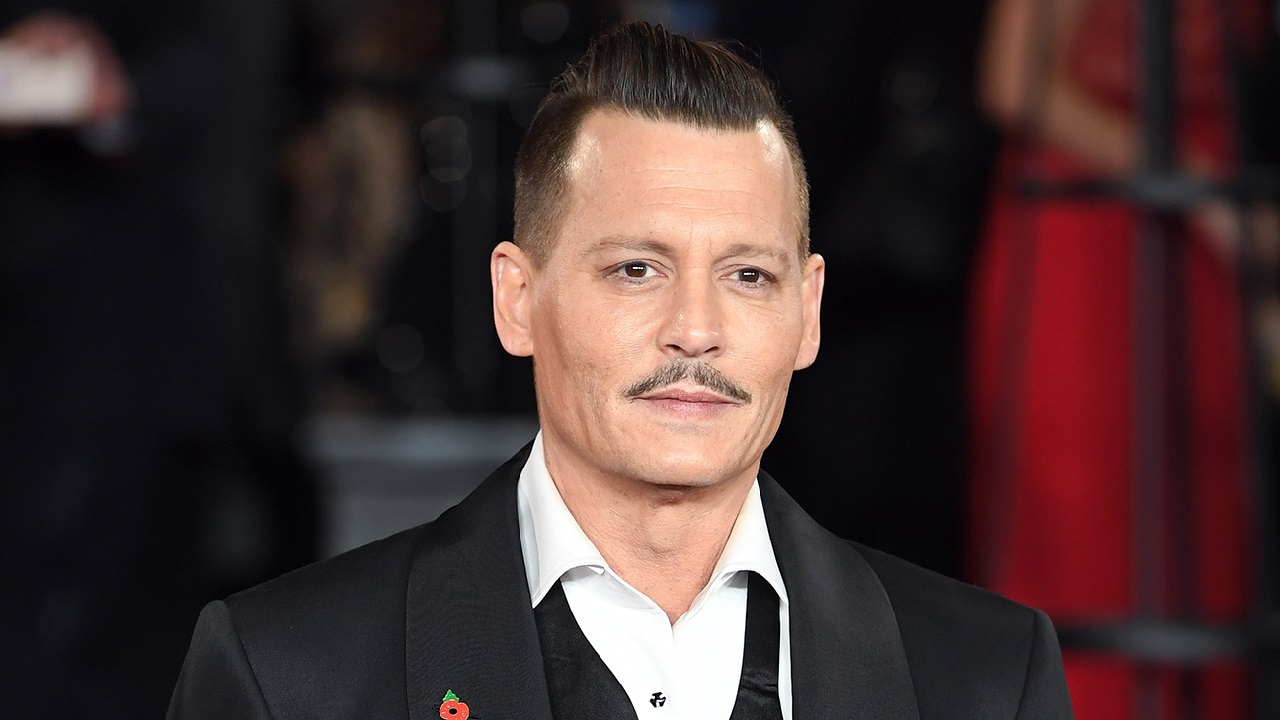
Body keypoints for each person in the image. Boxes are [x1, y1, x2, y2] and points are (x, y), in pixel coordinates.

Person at [168, 21, 1074, 720]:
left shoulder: (988, 678)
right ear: (517, 299)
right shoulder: (287, 677)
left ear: (808, 313)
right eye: (637, 269)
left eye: (747, 276)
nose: (696, 330)